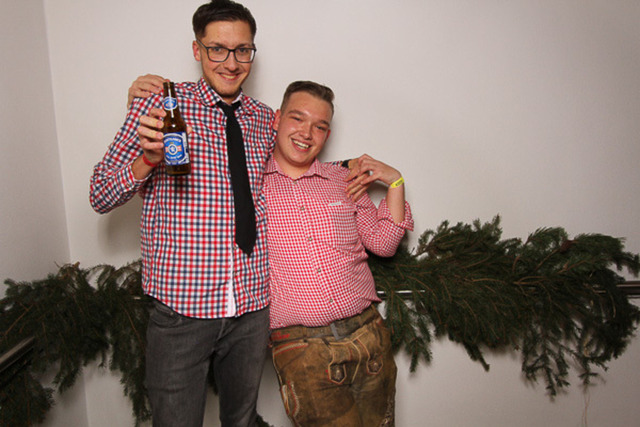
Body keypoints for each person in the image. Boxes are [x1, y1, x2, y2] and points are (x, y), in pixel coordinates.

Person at [90, 1, 273, 426]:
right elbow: (100, 193)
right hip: (181, 311)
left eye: (242, 50)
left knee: (242, 421)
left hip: (251, 305)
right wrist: (146, 161)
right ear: (196, 50)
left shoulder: (265, 120)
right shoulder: (160, 107)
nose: (231, 63)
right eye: (217, 49)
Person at [264, 81, 413, 426]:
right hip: (304, 349)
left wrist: (395, 182)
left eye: (319, 126)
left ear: (327, 134)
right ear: (276, 119)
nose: (306, 133)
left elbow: (383, 244)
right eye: (297, 118)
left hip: (368, 335)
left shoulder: (343, 180)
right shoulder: (251, 184)